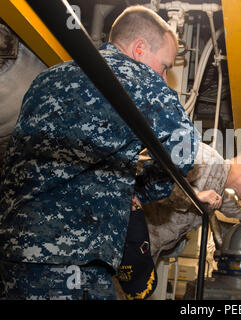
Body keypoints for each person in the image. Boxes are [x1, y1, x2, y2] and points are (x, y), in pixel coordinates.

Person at [0, 6, 200, 300]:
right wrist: (140, 190)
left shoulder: (46, 78)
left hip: (12, 251)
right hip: (73, 257)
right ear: (140, 49)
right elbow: (185, 151)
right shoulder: (142, 80)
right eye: (165, 66)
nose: (164, 75)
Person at [142, 142, 241, 264]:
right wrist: (194, 196)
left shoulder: (220, 187)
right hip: (133, 233)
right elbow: (150, 172)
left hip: (148, 250)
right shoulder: (205, 158)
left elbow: (228, 204)